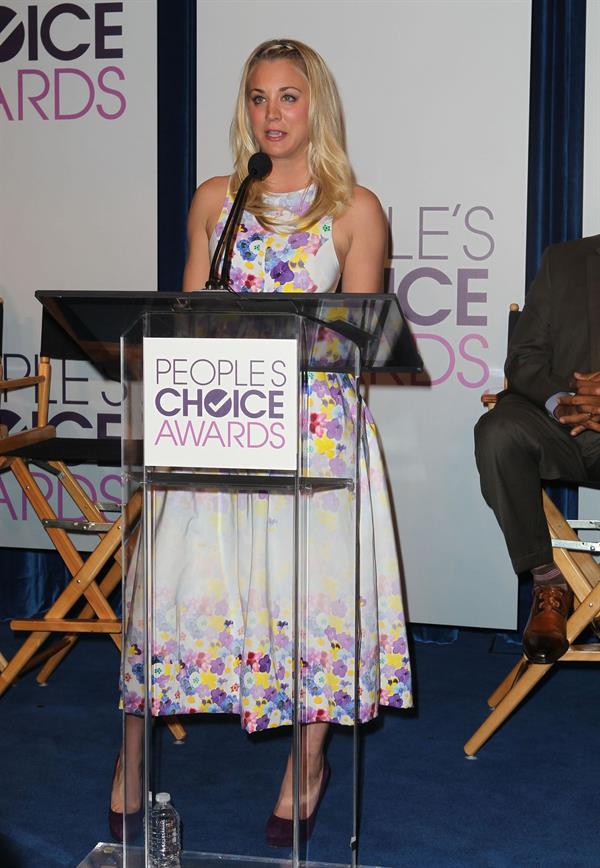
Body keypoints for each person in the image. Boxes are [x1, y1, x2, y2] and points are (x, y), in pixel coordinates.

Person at [110, 38, 412, 847]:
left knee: (311, 596)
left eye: (288, 97)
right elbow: (182, 309)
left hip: (313, 429)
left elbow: (361, 338)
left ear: (318, 108)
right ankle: (133, 753)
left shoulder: (356, 208)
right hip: (218, 414)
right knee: (172, 585)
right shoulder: (218, 198)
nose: (271, 114)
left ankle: (305, 766)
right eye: (256, 98)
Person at [474, 235, 600, 663]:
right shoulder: (564, 260)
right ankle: (550, 581)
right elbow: (523, 358)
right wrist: (564, 400)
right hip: (557, 423)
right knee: (498, 431)